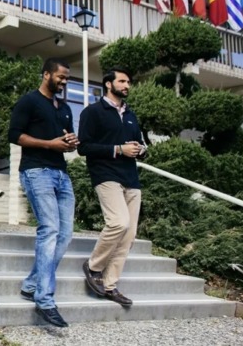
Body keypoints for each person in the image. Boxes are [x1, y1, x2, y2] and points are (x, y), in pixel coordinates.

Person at [8, 57, 78, 328]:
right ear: (46, 74)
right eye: (60, 76)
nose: (63, 81)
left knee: (65, 233)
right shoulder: (29, 102)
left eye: (67, 78)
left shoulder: (65, 107)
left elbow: (66, 139)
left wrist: (71, 142)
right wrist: (49, 144)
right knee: (49, 229)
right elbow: (15, 135)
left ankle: (31, 285)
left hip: (61, 175)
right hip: (36, 171)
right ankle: (45, 300)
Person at [77, 67, 146, 307]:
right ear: (108, 84)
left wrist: (141, 150)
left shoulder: (131, 114)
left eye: (129, 81)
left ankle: (110, 285)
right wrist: (118, 149)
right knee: (118, 223)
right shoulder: (92, 112)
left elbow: (139, 143)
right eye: (122, 81)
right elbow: (84, 147)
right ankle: (93, 266)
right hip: (106, 176)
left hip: (131, 178)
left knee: (128, 235)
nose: (127, 85)